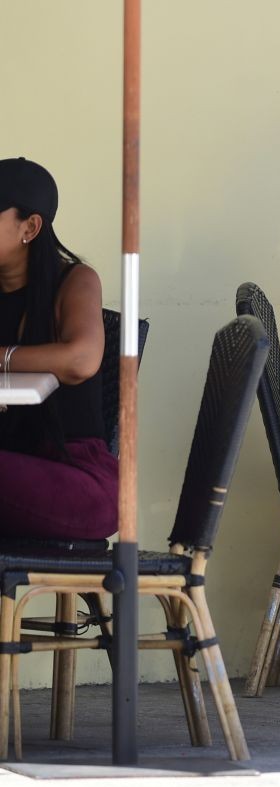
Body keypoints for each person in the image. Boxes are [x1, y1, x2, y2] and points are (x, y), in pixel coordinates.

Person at [0, 157, 113, 543]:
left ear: (30, 227)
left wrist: (3, 357)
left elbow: (81, 359)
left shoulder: (75, 281)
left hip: (78, 481)